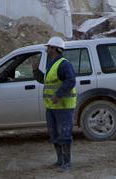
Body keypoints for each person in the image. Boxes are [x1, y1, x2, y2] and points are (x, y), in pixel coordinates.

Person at [38, 36, 77, 171]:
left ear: (54, 49)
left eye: (49, 47)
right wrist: (35, 71)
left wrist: (58, 95)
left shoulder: (63, 64)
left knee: (64, 134)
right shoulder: (52, 63)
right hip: (52, 107)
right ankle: (60, 161)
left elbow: (71, 81)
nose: (47, 49)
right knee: (54, 134)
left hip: (64, 107)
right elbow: (47, 82)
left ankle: (66, 163)